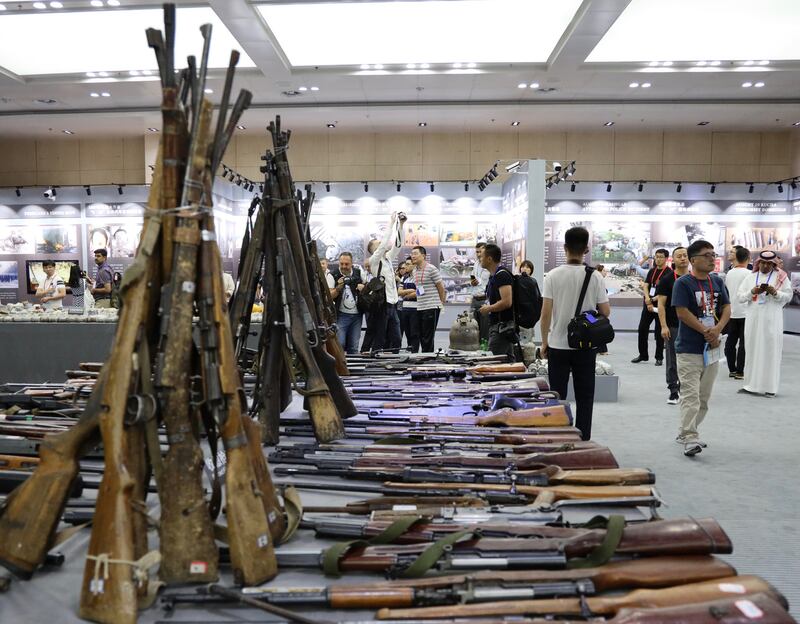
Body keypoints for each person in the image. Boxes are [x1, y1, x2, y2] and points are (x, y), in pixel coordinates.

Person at [540, 227, 610, 441]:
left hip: (558, 345)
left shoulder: (552, 275)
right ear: (586, 249)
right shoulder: (595, 276)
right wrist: (588, 319)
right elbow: (605, 312)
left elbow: (546, 313)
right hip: (585, 346)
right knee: (585, 395)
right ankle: (583, 438)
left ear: (565, 248)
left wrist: (544, 341)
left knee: (557, 394)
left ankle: (558, 436)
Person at [672, 240, 731, 457]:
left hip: (712, 348)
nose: (711, 258)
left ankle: (687, 431)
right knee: (690, 396)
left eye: (713, 254)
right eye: (706, 255)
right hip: (689, 348)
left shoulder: (717, 281)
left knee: (704, 397)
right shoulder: (683, 283)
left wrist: (717, 329)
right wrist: (706, 331)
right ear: (693, 260)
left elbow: (727, 307)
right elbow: (681, 312)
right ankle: (690, 437)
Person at [735, 250, 792, 397]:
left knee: (770, 352)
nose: (765, 266)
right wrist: (752, 292)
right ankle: (750, 385)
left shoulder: (781, 277)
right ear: (758, 263)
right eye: (763, 263)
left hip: (772, 321)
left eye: (769, 263)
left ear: (773, 264)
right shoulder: (750, 277)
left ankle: (770, 388)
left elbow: (788, 296)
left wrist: (775, 292)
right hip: (753, 321)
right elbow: (740, 297)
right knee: (751, 350)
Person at [363, 211, 406, 352]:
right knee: (380, 337)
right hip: (382, 305)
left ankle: (395, 358)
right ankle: (374, 358)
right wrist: (391, 223)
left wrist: (401, 225)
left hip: (393, 303)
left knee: (396, 337)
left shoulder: (387, 258)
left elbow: (398, 245)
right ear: (373, 250)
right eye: (378, 244)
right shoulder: (374, 261)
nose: (382, 244)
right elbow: (384, 244)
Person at [656, 246, 690, 405]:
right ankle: (673, 390)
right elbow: (661, 305)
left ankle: (687, 388)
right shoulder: (667, 279)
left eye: (685, 255)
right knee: (672, 358)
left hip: (692, 325)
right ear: (673, 259)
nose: (683, 258)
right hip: (673, 325)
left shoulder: (694, 278)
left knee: (691, 358)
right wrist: (663, 326)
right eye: (679, 256)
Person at [632, 248, 672, 366]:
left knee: (659, 332)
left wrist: (653, 299)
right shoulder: (652, 271)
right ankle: (643, 355)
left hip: (660, 305)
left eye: (661, 257)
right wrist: (647, 299)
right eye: (656, 256)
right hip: (648, 304)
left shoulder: (669, 273)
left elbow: (667, 292)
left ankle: (659, 357)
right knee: (642, 329)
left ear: (666, 258)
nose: (658, 259)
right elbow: (646, 285)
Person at [479, 243, 515, 359]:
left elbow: (507, 302)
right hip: (500, 326)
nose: (479, 259)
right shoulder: (494, 276)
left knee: (492, 361)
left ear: (489, 259)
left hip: (502, 327)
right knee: (509, 362)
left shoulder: (502, 275)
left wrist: (488, 308)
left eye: (481, 256)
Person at [410, 245, 445, 352]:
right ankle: (425, 357)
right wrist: (413, 294)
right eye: (412, 254)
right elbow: (421, 289)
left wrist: (441, 304)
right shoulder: (415, 271)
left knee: (427, 337)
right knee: (420, 335)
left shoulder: (431, 269)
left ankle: (428, 359)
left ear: (423, 256)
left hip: (431, 306)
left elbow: (441, 288)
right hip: (420, 306)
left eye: (415, 253)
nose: (413, 256)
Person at [723, 247, 751, 379]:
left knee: (730, 342)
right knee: (743, 344)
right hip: (746, 313)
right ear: (748, 258)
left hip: (732, 312)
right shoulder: (749, 274)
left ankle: (732, 369)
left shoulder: (730, 273)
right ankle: (740, 371)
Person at [330, 252, 364, 354]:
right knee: (340, 344)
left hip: (357, 315)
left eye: (347, 264)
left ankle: (353, 364)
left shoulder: (359, 273)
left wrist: (363, 288)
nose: (344, 266)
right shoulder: (333, 274)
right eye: (341, 264)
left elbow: (367, 288)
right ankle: (341, 364)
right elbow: (329, 296)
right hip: (341, 315)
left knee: (353, 347)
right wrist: (338, 287)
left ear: (352, 263)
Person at [469, 242, 491, 345]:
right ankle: (475, 348)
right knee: (473, 327)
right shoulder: (476, 263)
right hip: (475, 299)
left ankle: (484, 349)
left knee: (485, 329)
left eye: (480, 251)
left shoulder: (490, 264)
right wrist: (472, 282)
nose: (478, 254)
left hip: (485, 299)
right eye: (477, 252)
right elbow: (473, 276)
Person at [397, 258, 420, 352]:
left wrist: (407, 295)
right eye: (405, 264)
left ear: (414, 265)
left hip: (415, 309)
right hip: (405, 308)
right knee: (407, 332)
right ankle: (409, 348)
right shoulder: (404, 277)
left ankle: (414, 352)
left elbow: (420, 291)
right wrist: (410, 291)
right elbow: (399, 292)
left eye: (408, 264)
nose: (405, 266)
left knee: (415, 333)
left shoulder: (418, 277)